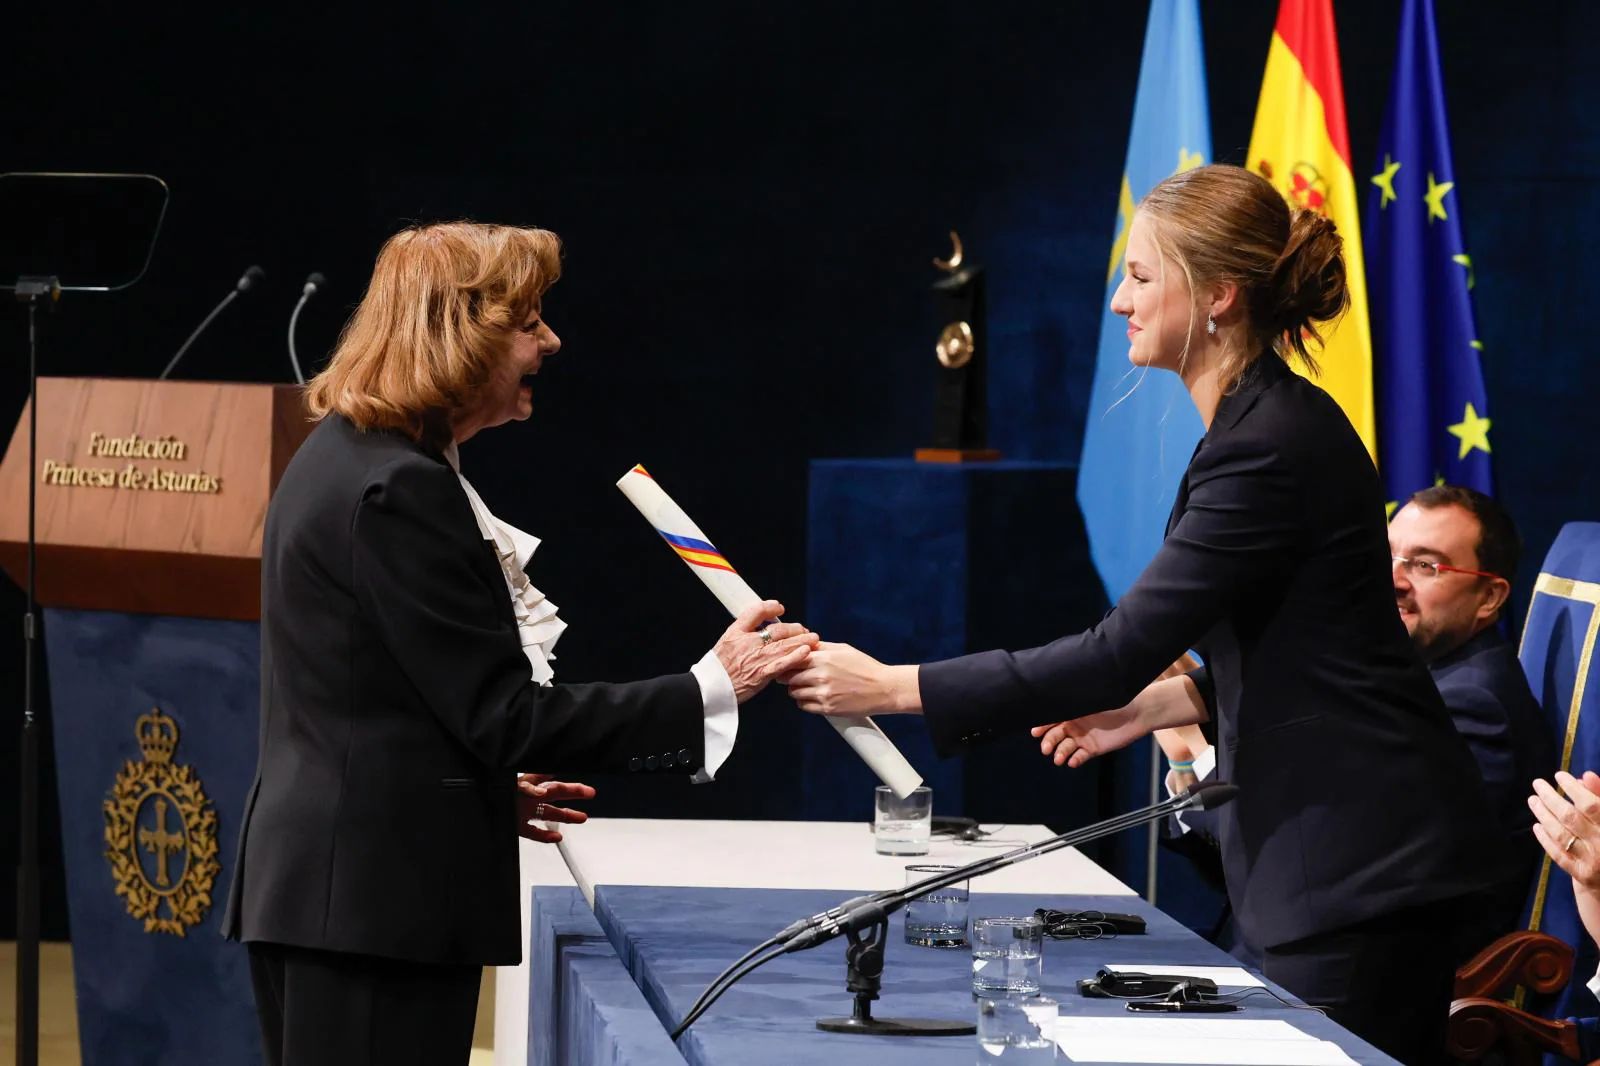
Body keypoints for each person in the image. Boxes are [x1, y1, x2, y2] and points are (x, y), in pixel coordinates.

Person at [787, 163, 1504, 1063]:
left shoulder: (1269, 447)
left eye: (1140, 276)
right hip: (1331, 863)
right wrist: (1152, 706)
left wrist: (891, 685)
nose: (1120, 301)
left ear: (1219, 296)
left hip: (1357, 871)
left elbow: (1115, 649)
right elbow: (1300, 640)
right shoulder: (1264, 426)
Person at [221, 222, 818, 1066]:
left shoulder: (352, 458)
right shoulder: (400, 489)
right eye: (529, 321)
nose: (552, 341)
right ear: (461, 333)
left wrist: (465, 791)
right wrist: (712, 684)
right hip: (368, 911)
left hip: (346, 893)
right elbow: (504, 716)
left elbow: (373, 693)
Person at [1154, 486, 1554, 966]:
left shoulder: (1469, 706)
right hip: (1275, 951)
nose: (1393, 580)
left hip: (1356, 991)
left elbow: (1328, 857)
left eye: (1425, 565)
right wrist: (1189, 760)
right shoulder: (1394, 675)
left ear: (1489, 597)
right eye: (1386, 555)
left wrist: (1200, 756)